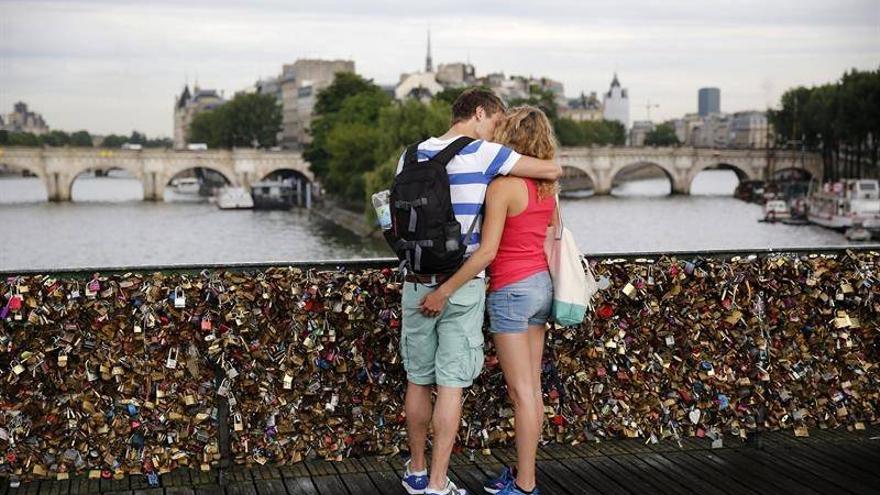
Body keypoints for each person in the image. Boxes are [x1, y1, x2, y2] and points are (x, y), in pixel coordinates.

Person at [398, 91, 561, 495]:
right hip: (470, 284)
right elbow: (553, 170)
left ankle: (416, 473)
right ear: (479, 113)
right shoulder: (487, 155)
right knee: (453, 385)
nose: (495, 132)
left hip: (417, 280)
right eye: (494, 122)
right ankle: (440, 483)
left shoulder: (411, 155)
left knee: (418, 380)